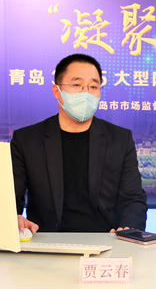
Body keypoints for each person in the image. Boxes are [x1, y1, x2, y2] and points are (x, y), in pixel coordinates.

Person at [11, 53, 147, 233]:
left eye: (93, 86)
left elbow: (133, 199)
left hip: (106, 239)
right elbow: (11, 199)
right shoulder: (27, 140)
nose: (86, 93)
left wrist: (129, 229)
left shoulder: (120, 139)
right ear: (57, 91)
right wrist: (14, 218)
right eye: (77, 85)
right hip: (46, 240)